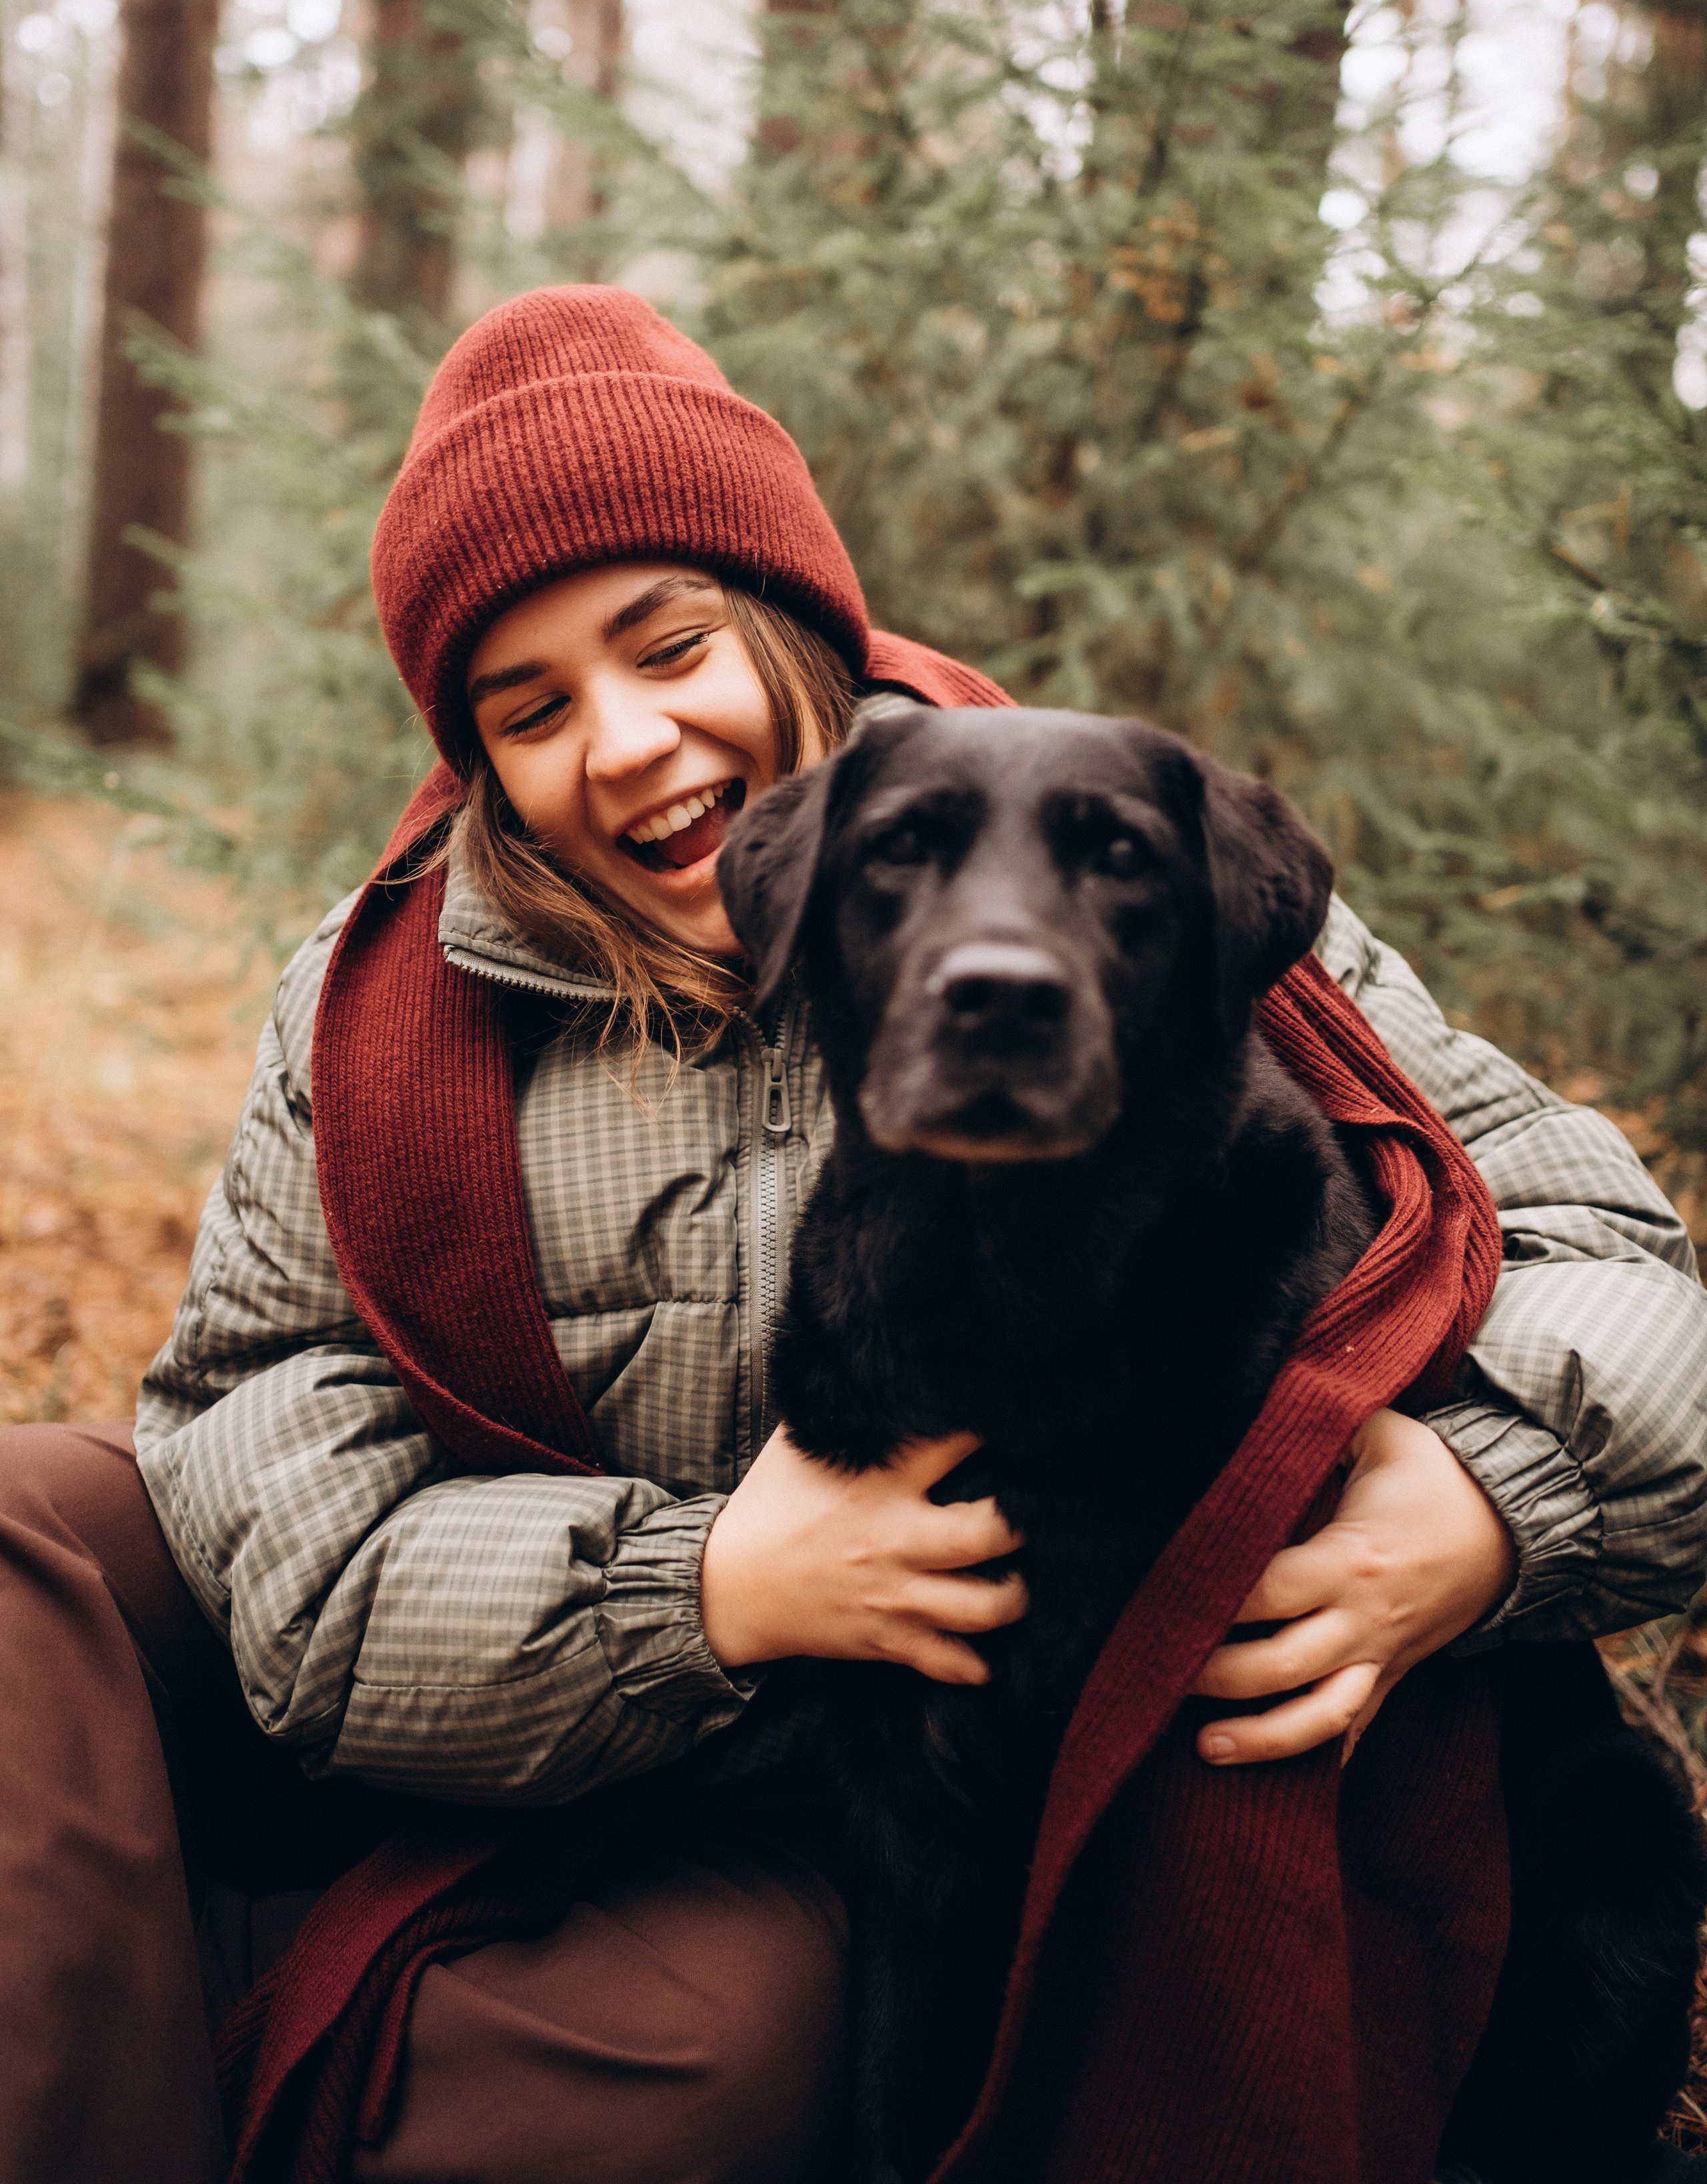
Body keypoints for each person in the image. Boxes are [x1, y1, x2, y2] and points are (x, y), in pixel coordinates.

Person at [1, 283, 1703, 2184]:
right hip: (541, 1660)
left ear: (788, 616)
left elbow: (1633, 1286)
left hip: (799, 1779)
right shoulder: (379, 1007)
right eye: (532, 705)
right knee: (21, 1522)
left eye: (670, 646)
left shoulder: (1104, 864)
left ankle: (273, 1991)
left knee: (641, 2083)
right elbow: (261, 1481)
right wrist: (699, 1585)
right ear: (475, 757)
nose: (631, 743)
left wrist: (1484, 1515)